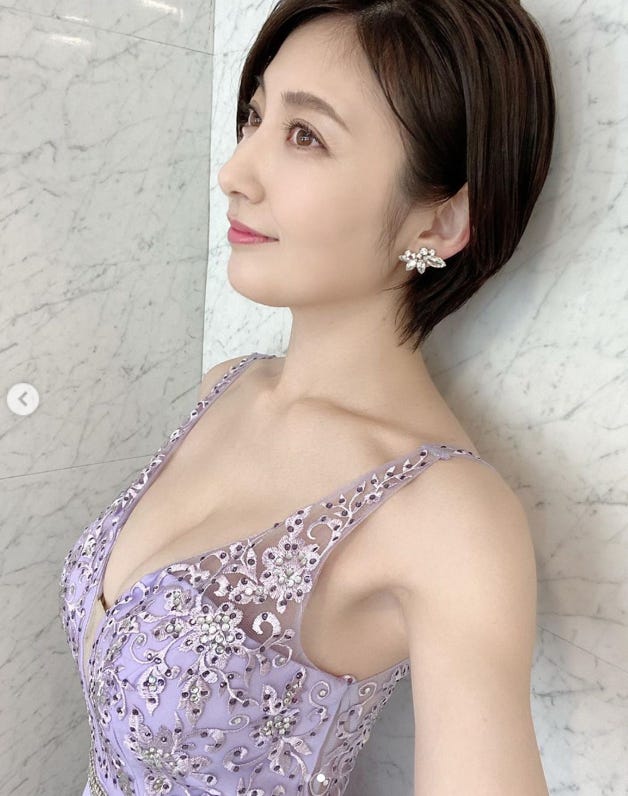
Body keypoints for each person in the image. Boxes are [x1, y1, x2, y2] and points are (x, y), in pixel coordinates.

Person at [59, 1, 556, 794]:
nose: (234, 172)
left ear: (439, 221)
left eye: (306, 136)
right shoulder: (225, 388)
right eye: (255, 117)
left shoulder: (449, 516)